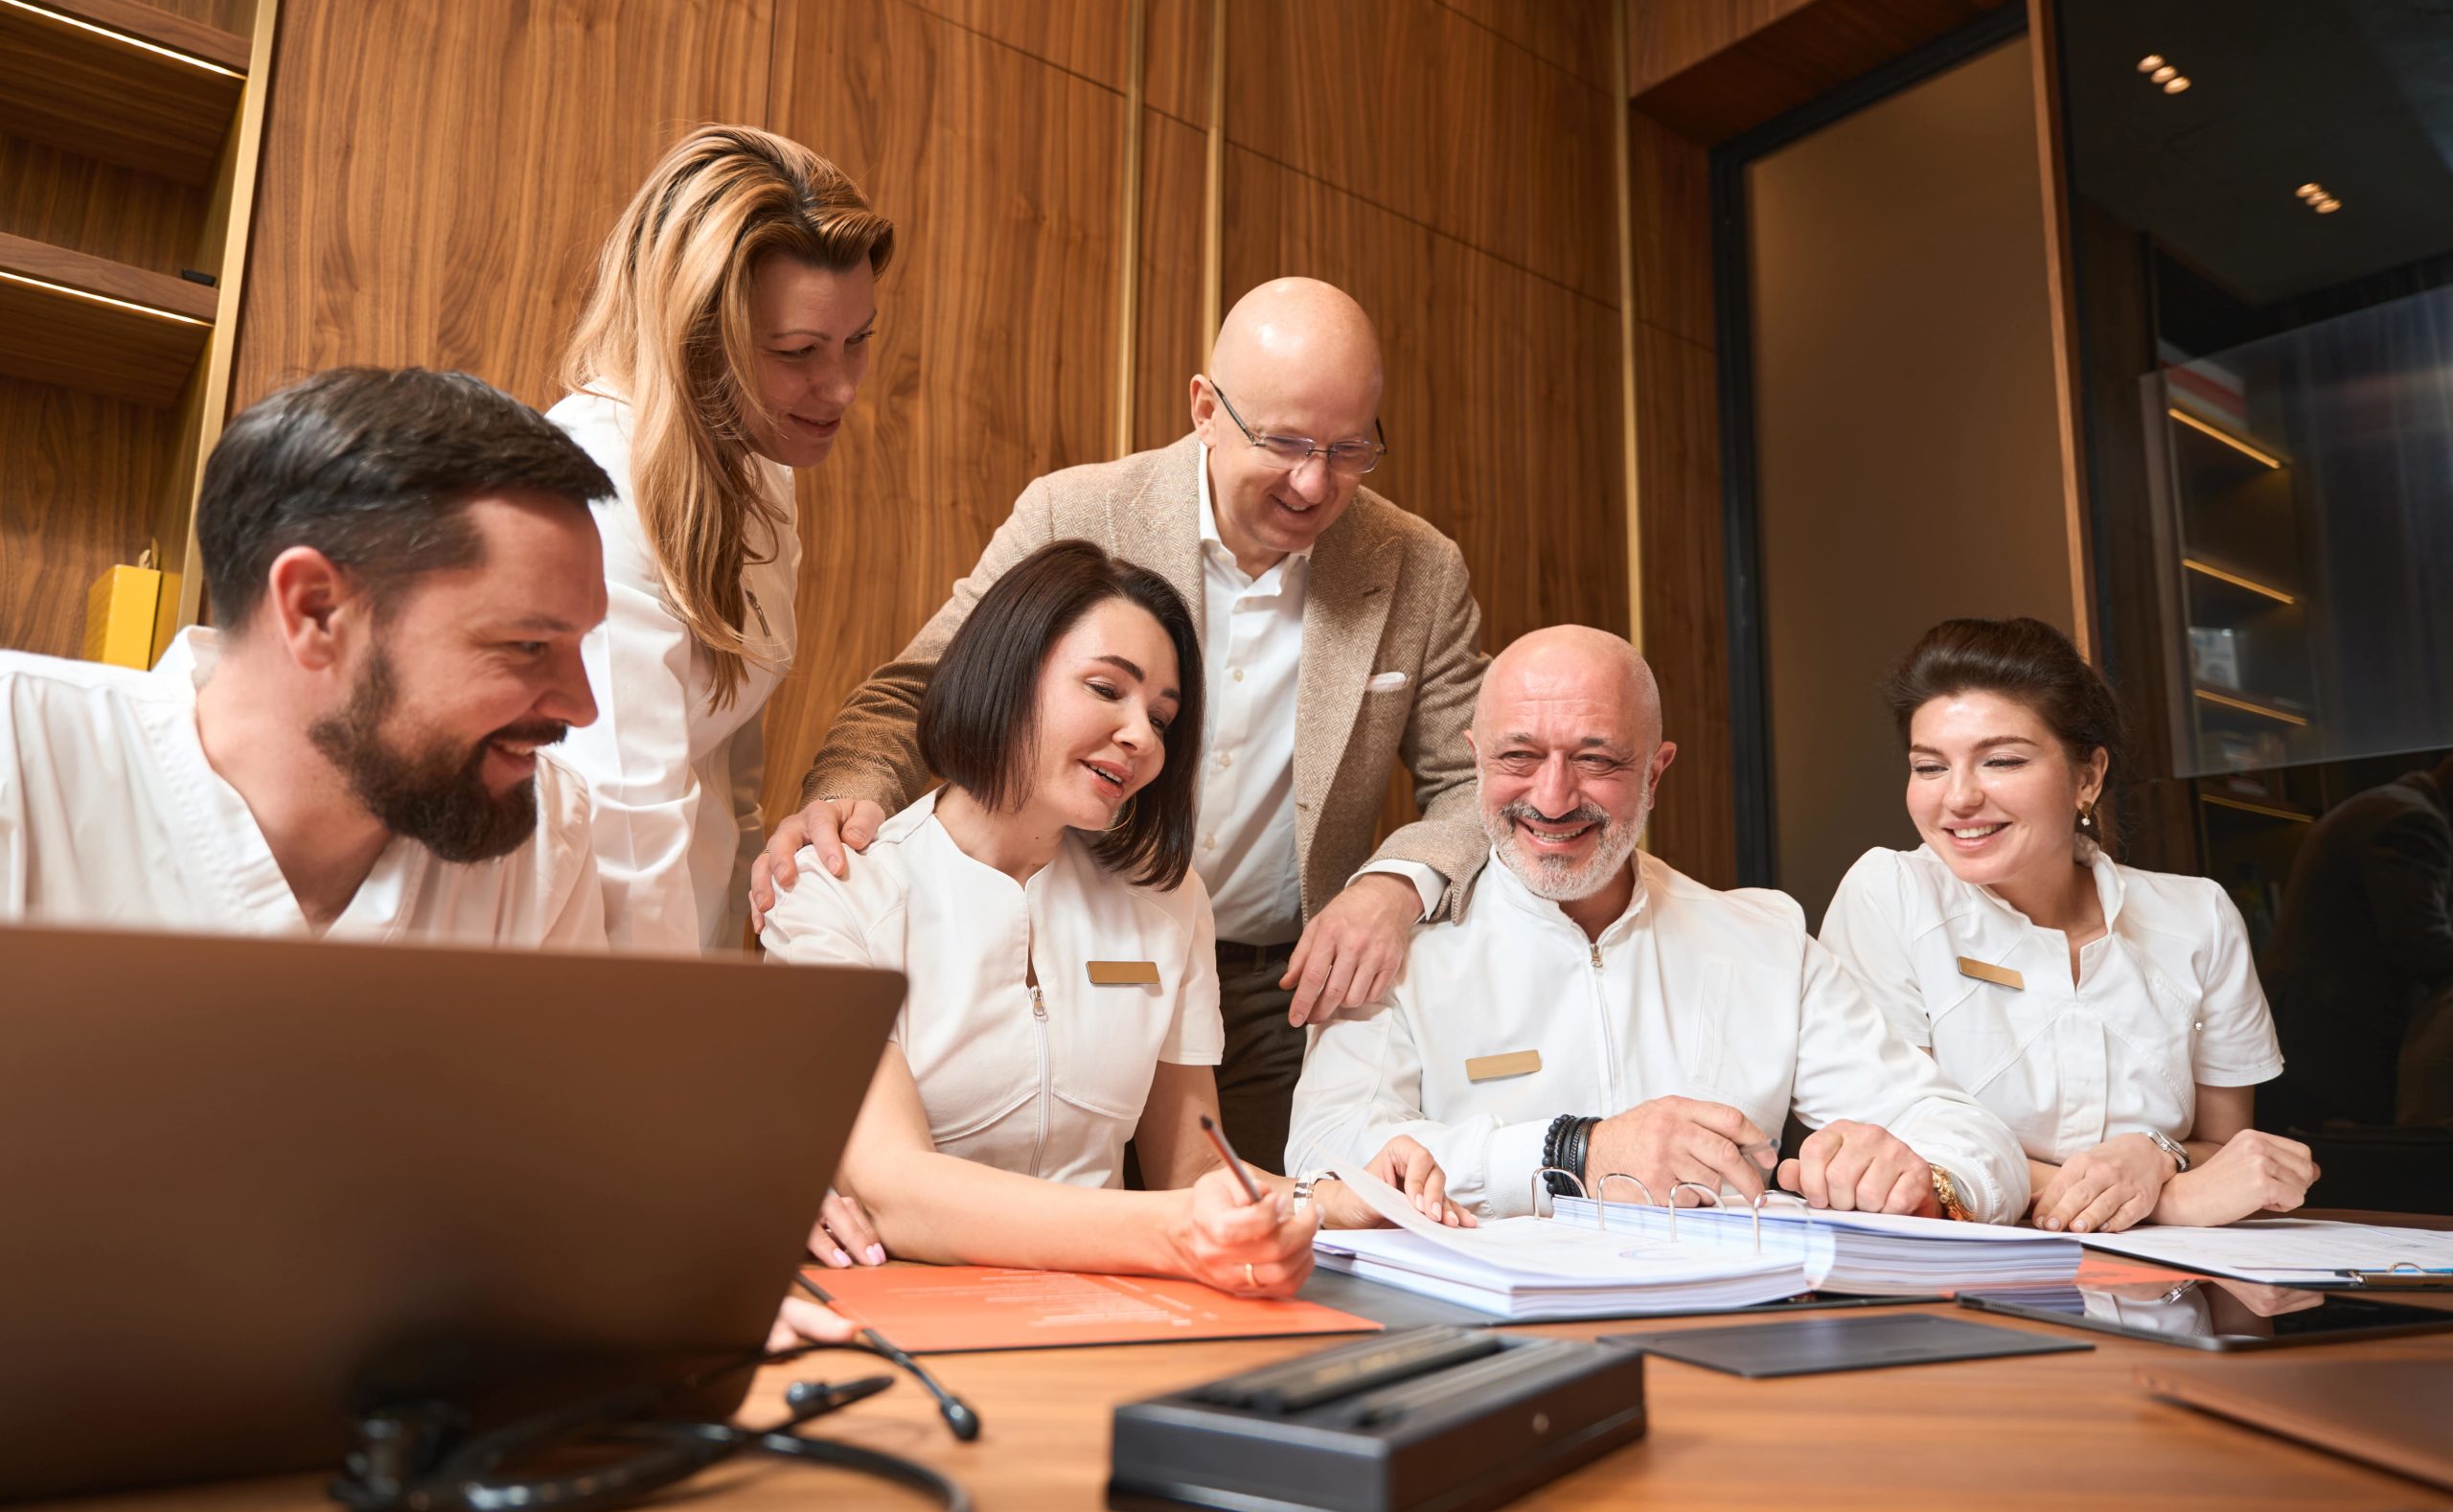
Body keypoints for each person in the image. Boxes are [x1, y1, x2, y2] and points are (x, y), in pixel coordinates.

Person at [754, 277, 1490, 1173]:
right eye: (1286, 442)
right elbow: (925, 686)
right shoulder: (1078, 512)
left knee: (1233, 1239)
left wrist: (1395, 887)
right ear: (1205, 409)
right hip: (1076, 921)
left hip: (1274, 982)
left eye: (1349, 450)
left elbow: (1476, 779)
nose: (1314, 482)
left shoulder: (1416, 565)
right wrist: (849, 806)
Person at [759, 540, 1467, 1296]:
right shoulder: (836, 889)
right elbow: (896, 1189)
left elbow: (1194, 1169)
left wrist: (1334, 1197)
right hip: (903, 1304)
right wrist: (1172, 1231)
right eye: (1106, 688)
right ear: (1008, 669)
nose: (1142, 739)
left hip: (1112, 1303)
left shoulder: (1168, 900)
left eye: (1163, 719)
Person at [1285, 626, 2029, 1225]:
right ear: (1475, 761)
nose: (1551, 795)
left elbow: (1969, 1134)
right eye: (1519, 756)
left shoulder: (1764, 939)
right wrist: (1573, 1152)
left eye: (1595, 758)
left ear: (1657, 772)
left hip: (1737, 1344)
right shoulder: (1397, 946)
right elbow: (1324, 1156)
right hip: (1484, 1348)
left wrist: (1924, 1178)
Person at [0, 368, 610, 944]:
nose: (583, 710)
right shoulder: (19, 755)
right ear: (316, 611)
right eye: (528, 646)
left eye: (580, 643)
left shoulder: (549, 835)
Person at [1820, 616, 2318, 1233]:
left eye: (2000, 760)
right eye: (1929, 767)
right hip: (1971, 1283)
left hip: (2172, 1288)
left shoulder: (2199, 917)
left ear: (2088, 776)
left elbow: (2227, 1152)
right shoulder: (1890, 893)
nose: (1958, 798)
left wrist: (2157, 1154)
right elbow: (1903, 1142)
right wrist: (2166, 1201)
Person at [551, 125, 894, 953]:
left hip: (684, 929)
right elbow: (622, 828)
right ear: (697, 337)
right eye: (797, 351)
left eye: (857, 341)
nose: (840, 387)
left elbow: (731, 747)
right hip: (590, 944)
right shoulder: (597, 487)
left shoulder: (758, 462)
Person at [2258, 752, 2453, 1130]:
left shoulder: (2396, 806)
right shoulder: (2410, 820)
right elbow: (2421, 946)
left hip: (2319, 1029)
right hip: (2335, 1038)